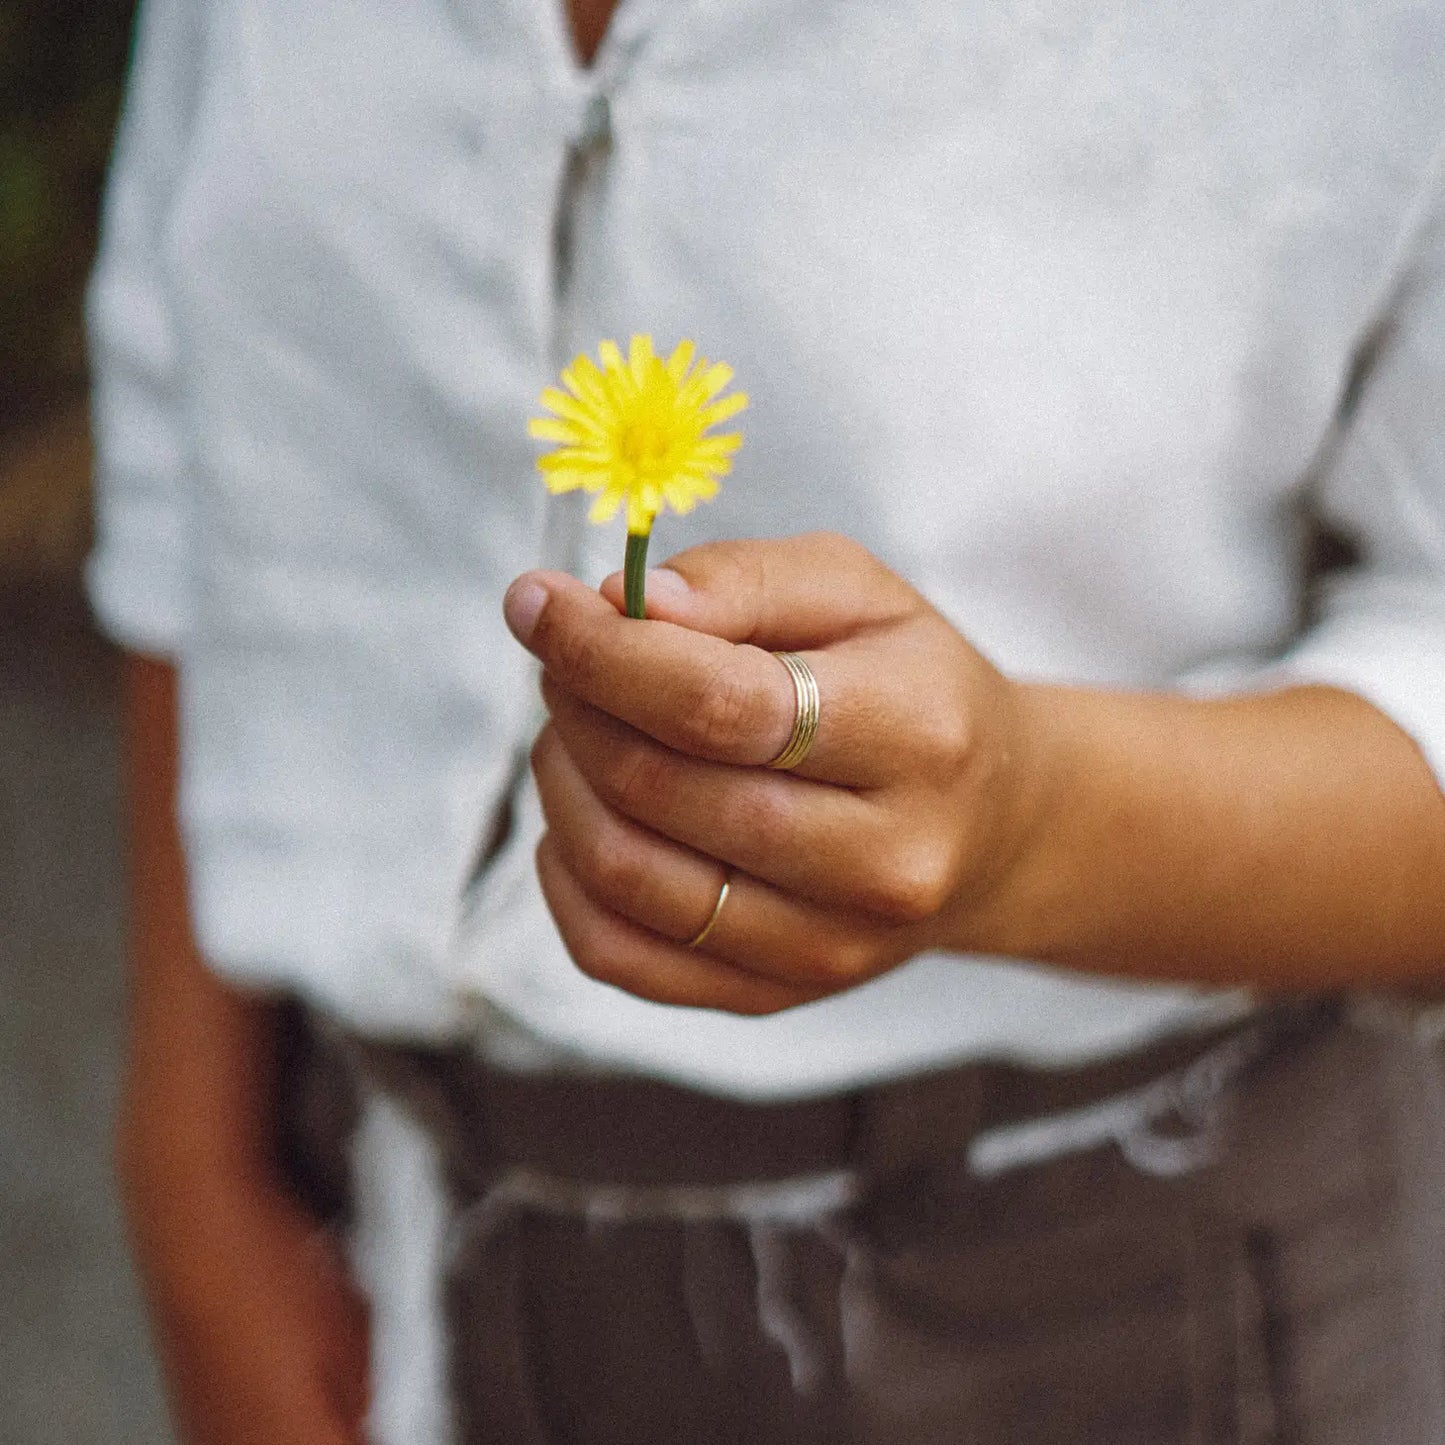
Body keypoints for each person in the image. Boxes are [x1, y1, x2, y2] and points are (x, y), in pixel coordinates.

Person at [91, 0, 1445, 1441]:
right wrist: (192, 1147)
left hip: (1085, 1299)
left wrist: (1025, 825)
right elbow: (198, 411)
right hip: (383, 1230)